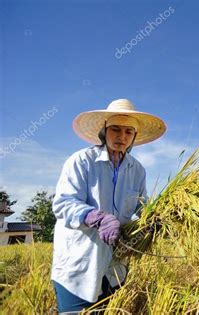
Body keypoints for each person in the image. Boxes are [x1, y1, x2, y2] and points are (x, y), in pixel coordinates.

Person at [51, 99, 166, 313]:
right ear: (104, 131)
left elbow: (142, 206)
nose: (121, 137)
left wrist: (156, 220)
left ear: (134, 137)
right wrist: (97, 217)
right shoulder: (81, 161)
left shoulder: (137, 170)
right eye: (115, 129)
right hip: (79, 263)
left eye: (128, 132)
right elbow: (63, 203)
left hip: (115, 268)